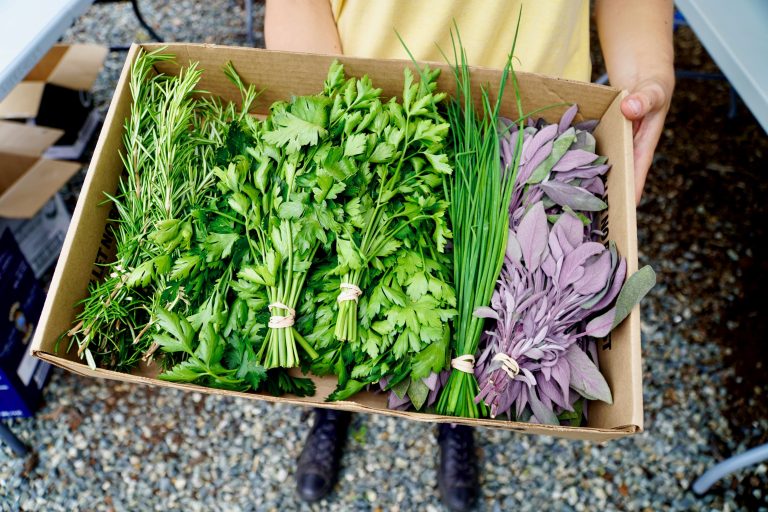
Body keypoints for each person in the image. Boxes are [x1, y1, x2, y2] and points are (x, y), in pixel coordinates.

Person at [264, 1, 674, 510]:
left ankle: (459, 412)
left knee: (469, 311)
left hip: (530, 112)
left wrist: (648, 71)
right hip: (373, 97)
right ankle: (334, 404)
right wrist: (332, 113)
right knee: (348, 308)